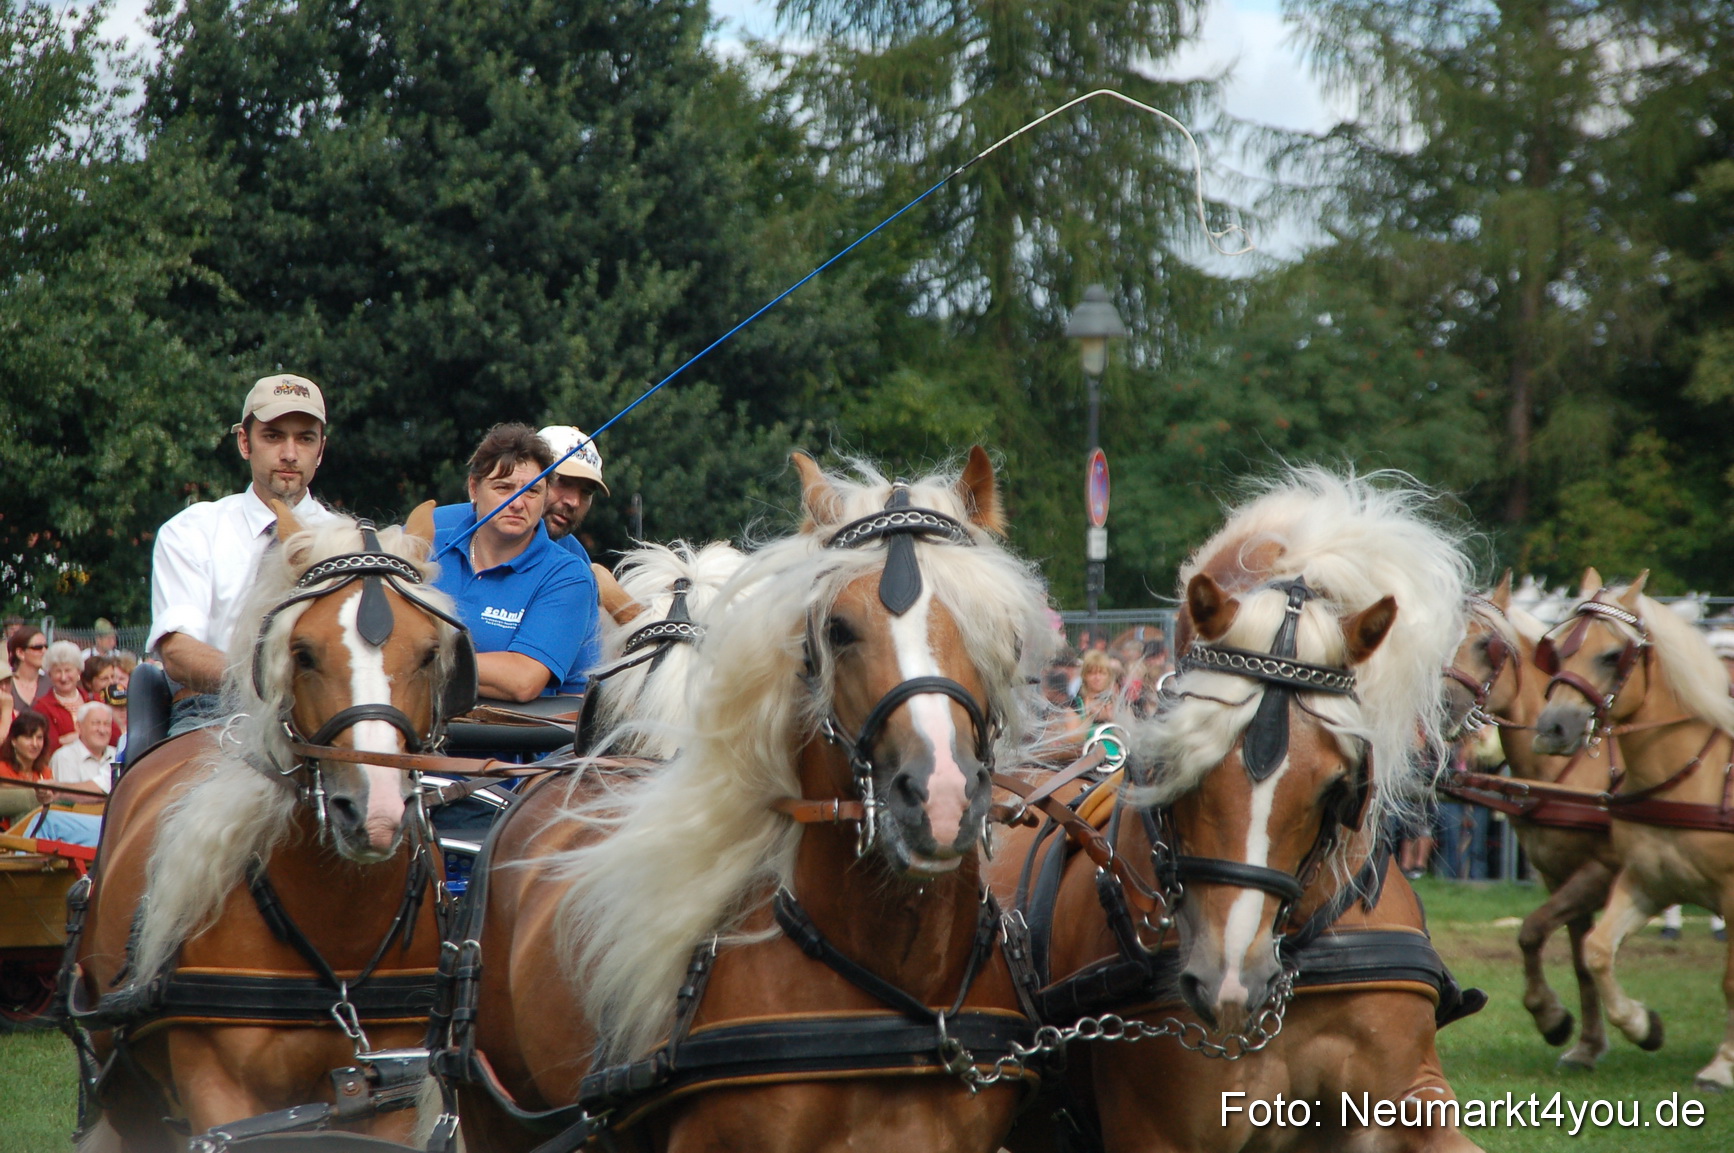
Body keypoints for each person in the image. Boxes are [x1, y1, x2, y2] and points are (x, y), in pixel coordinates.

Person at [149, 374, 338, 734]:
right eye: (273, 436)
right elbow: (177, 653)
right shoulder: (191, 531)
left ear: (321, 450)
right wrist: (269, 686)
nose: (289, 453)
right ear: (244, 442)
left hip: (323, 723)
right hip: (212, 712)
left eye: (305, 438)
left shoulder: (352, 543)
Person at [431, 423, 598, 700]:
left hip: (511, 739)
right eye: (503, 487)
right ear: (474, 488)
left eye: (532, 491)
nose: (518, 503)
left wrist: (417, 659)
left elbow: (522, 681)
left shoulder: (570, 574)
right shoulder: (425, 544)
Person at [537, 424, 609, 695]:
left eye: (586, 492)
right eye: (562, 481)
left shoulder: (577, 561)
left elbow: (582, 685)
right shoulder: (444, 530)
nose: (574, 502)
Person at [49, 700, 116, 795]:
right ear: (79, 727)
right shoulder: (64, 757)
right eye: (95, 723)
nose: (102, 730)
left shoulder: (118, 755)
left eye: (106, 724)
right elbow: (68, 799)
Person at [35, 640, 90, 751]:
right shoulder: (42, 707)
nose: (63, 677)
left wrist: (70, 739)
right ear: (50, 675)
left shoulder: (94, 701)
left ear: (78, 672)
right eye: (58, 672)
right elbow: (49, 745)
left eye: (68, 670)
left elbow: (113, 736)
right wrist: (88, 736)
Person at [0, 710, 51, 828]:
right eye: (28, 737)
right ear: (14, 741)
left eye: (39, 738)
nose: (35, 744)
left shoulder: (46, 772)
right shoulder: (2, 769)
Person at [7, 627, 47, 712]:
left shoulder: (51, 684)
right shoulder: (5, 685)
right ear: (20, 653)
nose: (44, 651)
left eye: (46, 646)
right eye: (38, 647)